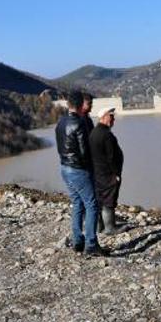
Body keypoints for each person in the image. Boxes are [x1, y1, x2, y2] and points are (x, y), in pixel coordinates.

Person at [55, 91, 108, 256]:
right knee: (91, 205)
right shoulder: (78, 124)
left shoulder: (61, 122)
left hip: (64, 168)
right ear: (79, 105)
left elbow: (60, 147)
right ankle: (91, 244)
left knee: (77, 203)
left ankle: (78, 241)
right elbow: (85, 153)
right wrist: (92, 170)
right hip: (79, 170)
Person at [89, 106, 127, 235]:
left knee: (100, 200)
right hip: (108, 174)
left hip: (98, 173)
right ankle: (110, 228)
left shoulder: (93, 133)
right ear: (104, 117)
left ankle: (99, 227)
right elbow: (112, 157)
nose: (113, 119)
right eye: (111, 116)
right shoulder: (106, 135)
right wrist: (116, 174)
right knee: (109, 201)